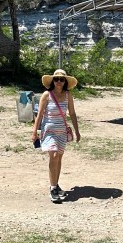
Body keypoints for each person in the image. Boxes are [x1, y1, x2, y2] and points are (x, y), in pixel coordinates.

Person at [32, 68, 81, 203]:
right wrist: (34, 131)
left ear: (65, 82)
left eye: (61, 79)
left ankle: (56, 184)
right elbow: (39, 114)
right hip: (49, 130)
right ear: (53, 81)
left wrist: (77, 131)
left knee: (58, 157)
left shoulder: (68, 95)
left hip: (62, 131)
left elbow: (72, 113)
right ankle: (53, 188)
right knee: (53, 155)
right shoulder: (46, 95)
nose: (59, 81)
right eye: (56, 79)